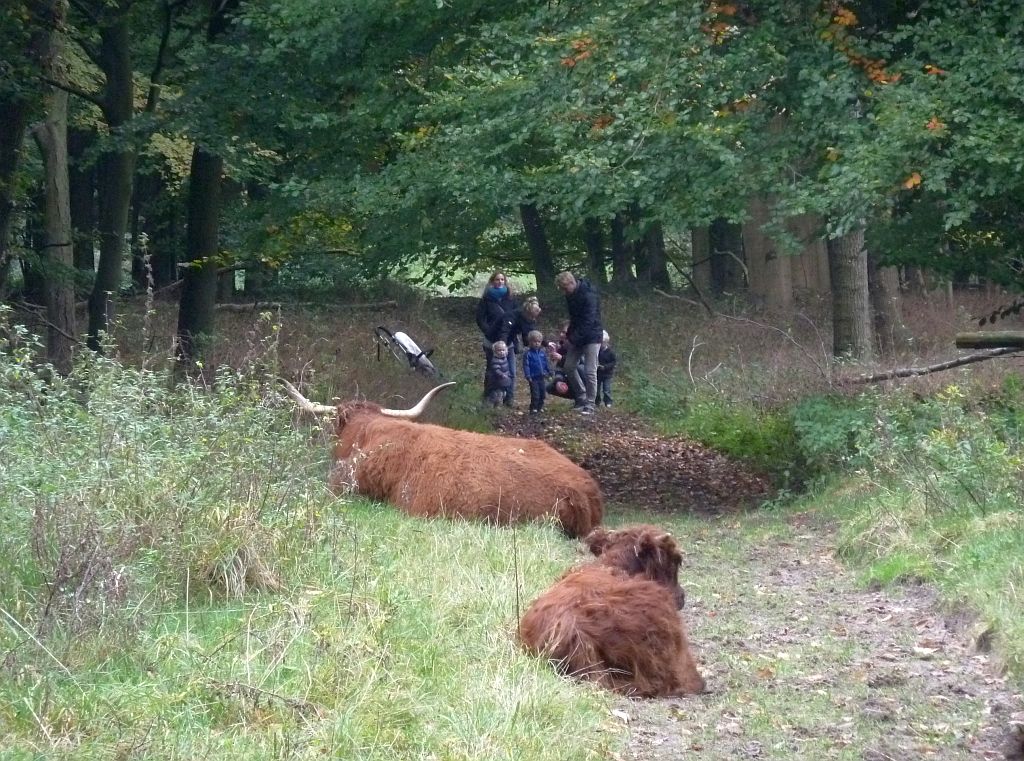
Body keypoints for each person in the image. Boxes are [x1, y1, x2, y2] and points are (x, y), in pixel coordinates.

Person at [555, 270, 604, 413]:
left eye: (565, 288)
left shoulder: (589, 295)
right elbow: (574, 319)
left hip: (592, 336)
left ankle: (590, 403)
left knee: (590, 370)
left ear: (571, 283)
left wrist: (573, 339)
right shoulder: (570, 296)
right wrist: (568, 337)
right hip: (577, 335)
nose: (564, 292)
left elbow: (588, 321)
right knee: (569, 366)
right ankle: (581, 396)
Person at [475, 271, 517, 406]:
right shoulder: (486, 299)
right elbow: (480, 319)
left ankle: (509, 398)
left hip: (508, 341)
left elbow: (516, 316)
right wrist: (489, 332)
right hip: (491, 342)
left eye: (502, 279)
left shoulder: (510, 298)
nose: (500, 282)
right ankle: (489, 397)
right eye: (497, 279)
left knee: (511, 370)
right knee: (492, 371)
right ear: (492, 282)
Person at [522, 330, 552, 413]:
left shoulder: (542, 353)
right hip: (533, 377)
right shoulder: (528, 354)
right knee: (535, 394)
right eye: (534, 341)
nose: (536, 343)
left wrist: (549, 372)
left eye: (539, 342)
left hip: (542, 376)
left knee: (542, 393)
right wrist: (528, 375)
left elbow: (545, 363)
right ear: (530, 342)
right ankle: (533, 408)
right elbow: (526, 365)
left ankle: (540, 406)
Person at [484, 341, 513, 407]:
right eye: (499, 350)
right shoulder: (495, 360)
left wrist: (507, 374)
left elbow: (506, 368)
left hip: (504, 382)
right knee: (497, 395)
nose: (502, 352)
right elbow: (496, 369)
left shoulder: (504, 359)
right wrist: (501, 374)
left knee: (503, 394)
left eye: (503, 350)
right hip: (497, 382)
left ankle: (498, 405)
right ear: (495, 352)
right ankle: (494, 406)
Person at [597, 330, 617, 407]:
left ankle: (608, 402)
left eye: (602, 342)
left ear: (606, 342)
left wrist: (605, 367)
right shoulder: (597, 351)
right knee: (596, 389)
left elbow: (613, 362)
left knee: (606, 389)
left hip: (607, 374)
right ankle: (597, 401)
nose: (601, 344)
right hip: (598, 373)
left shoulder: (610, 352)